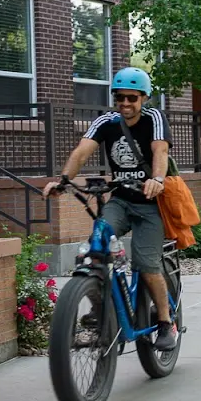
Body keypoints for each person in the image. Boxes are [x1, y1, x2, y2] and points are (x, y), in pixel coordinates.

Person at [42, 67, 177, 350]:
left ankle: (166, 322)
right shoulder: (107, 121)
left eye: (132, 98)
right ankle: (99, 306)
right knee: (96, 247)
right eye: (119, 98)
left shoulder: (154, 118)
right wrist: (63, 181)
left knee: (146, 263)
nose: (125, 103)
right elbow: (81, 151)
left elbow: (160, 150)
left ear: (144, 98)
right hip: (121, 200)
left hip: (150, 204)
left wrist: (157, 179)